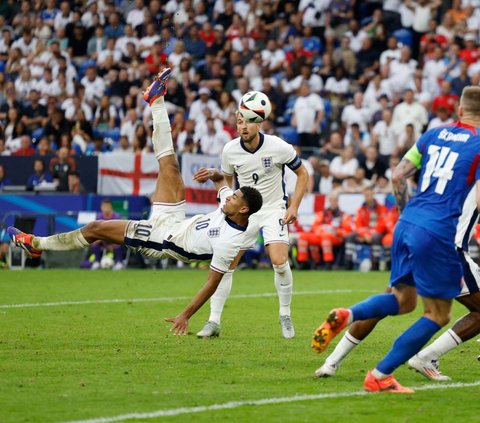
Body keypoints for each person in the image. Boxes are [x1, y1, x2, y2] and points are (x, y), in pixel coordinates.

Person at [8, 68, 263, 335]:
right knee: (170, 165)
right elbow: (223, 185)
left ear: (243, 209)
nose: (229, 196)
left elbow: (211, 282)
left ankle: (35, 244)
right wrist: (215, 176)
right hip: (175, 220)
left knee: (96, 228)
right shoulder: (229, 207)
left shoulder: (230, 241)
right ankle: (156, 100)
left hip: (160, 240)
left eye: (235, 197)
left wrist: (185, 315)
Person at [311, 86, 480, 393]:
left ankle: (348, 314)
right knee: (438, 313)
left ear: (458, 111)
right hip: (441, 234)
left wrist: (408, 216)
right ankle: (381, 374)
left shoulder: (432, 135)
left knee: (402, 301)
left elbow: (398, 175)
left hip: (407, 223)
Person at [195, 106, 309, 340]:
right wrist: (227, 203)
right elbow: (226, 181)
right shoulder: (230, 150)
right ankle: (213, 321)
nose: (243, 127)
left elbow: (303, 173)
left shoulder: (278, 146)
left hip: (273, 208)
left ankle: (285, 314)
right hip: (245, 211)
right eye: (239, 122)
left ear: (259, 124)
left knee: (279, 261)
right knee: (226, 263)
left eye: (247, 122)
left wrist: (294, 206)